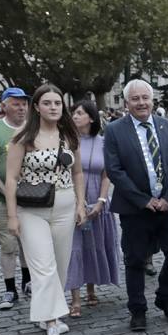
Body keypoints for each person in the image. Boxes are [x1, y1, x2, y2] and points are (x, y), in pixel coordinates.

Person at [5, 84, 85, 335]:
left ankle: (45, 314)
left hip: (64, 205)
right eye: (47, 103)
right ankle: (52, 326)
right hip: (32, 210)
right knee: (43, 268)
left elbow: (78, 173)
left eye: (57, 103)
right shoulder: (22, 137)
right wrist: (12, 216)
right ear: (36, 107)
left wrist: (80, 203)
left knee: (60, 267)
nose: (53, 107)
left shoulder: (69, 135)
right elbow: (11, 178)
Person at [103, 80, 168, 332]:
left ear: (152, 100)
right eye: (135, 99)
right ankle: (137, 309)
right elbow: (115, 171)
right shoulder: (115, 130)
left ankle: (164, 296)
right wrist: (144, 200)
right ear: (127, 103)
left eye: (145, 98)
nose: (141, 103)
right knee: (135, 260)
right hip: (135, 209)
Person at [0, 87, 33, 309]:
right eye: (16, 103)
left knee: (29, 243)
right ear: (4, 106)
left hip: (31, 200)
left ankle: (28, 282)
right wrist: (7, 191)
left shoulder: (32, 129)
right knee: (9, 245)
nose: (21, 107)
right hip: (1, 200)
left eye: (24, 103)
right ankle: (10, 289)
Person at [66, 100, 118, 318]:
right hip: (70, 200)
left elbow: (107, 174)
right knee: (73, 248)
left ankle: (91, 289)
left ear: (91, 118)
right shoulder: (66, 142)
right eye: (74, 113)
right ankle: (75, 298)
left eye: (80, 113)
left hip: (97, 198)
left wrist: (101, 201)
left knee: (93, 244)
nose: (75, 116)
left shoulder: (103, 142)